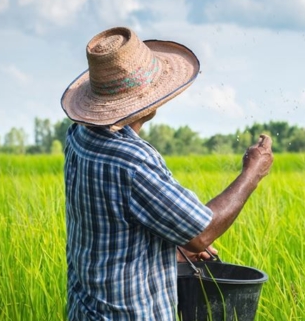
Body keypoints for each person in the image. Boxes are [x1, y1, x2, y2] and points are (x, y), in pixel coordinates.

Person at [59, 27, 274, 320]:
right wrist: (252, 172)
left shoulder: (79, 138)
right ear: (147, 101)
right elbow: (200, 233)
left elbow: (110, 230)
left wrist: (171, 247)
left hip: (85, 311)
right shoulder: (131, 161)